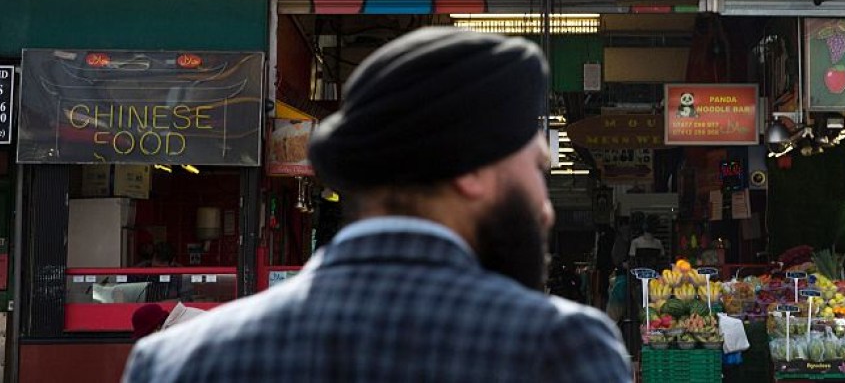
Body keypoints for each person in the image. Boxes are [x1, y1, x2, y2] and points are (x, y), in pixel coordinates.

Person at [123, 27, 631, 383]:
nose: (546, 208)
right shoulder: (558, 347)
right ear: (472, 172)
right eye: (537, 170)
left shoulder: (174, 362)